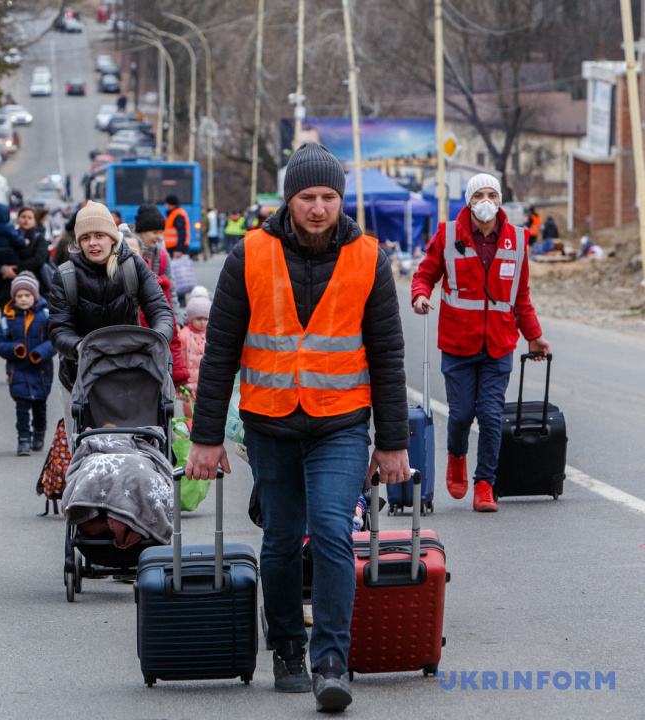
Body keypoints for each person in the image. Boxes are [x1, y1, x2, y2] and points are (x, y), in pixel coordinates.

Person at [185, 142, 410, 711]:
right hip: (270, 422)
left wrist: (392, 444)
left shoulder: (369, 259)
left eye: (329, 197)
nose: (318, 208)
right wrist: (206, 438)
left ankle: (330, 661)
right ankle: (287, 642)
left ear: (341, 200)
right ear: (289, 200)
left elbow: (386, 355)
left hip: (341, 424)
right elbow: (219, 355)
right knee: (282, 538)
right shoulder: (249, 255)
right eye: (307, 197)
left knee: (333, 531)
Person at [411, 173, 550, 513]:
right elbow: (425, 274)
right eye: (479, 195)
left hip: (499, 343)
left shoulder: (517, 241)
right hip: (458, 342)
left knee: (490, 416)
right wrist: (420, 296)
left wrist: (533, 336)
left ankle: (485, 483)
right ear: (469, 201)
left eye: (492, 194)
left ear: (500, 200)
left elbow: (521, 295)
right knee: (460, 415)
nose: (486, 200)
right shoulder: (447, 236)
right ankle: (456, 458)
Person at [48, 201, 174, 447]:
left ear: (113, 237)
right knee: (83, 446)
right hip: (80, 374)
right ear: (78, 241)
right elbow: (58, 328)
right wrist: (78, 346)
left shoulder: (133, 266)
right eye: (85, 237)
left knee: (138, 442)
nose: (92, 243)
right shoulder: (65, 276)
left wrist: (157, 339)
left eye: (99, 235)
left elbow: (161, 309)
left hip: (132, 372)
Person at [121, 226, 190, 403]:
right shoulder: (108, 285)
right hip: (117, 376)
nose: (128, 257)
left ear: (142, 254)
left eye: (133, 252)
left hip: (151, 373)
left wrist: (179, 378)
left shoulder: (158, 286)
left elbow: (171, 337)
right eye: (122, 251)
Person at [0, 273, 56, 455]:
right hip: (18, 369)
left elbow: (55, 340)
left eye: (27, 295)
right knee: (21, 408)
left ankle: (39, 432)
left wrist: (40, 352)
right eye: (19, 296)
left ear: (35, 296)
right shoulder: (8, 319)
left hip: (41, 369)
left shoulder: (45, 316)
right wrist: (14, 349)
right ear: (14, 297)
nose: (23, 299)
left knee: (39, 406)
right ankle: (23, 439)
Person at [134, 203, 175, 308]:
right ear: (141, 230)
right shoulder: (126, 250)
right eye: (155, 232)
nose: (159, 237)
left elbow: (171, 289)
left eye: (161, 232)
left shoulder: (162, 255)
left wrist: (177, 318)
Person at [178, 288, 210, 409]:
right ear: (191, 317)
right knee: (190, 413)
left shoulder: (211, 334)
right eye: (199, 319)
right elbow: (179, 358)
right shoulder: (184, 334)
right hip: (189, 383)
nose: (202, 322)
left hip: (206, 383)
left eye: (206, 319)